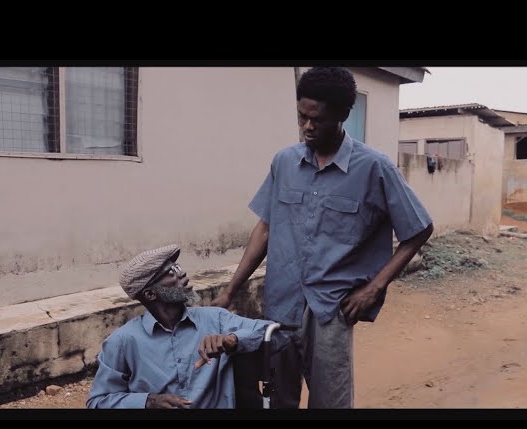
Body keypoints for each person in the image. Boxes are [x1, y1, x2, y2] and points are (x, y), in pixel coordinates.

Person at [212, 67, 434, 408]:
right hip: (280, 304)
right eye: (302, 117)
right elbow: (265, 228)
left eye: (318, 119)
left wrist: (374, 288)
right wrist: (230, 290)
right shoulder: (284, 162)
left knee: (330, 402)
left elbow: (419, 228)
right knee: (276, 400)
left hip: (330, 311)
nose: (308, 127)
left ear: (343, 115)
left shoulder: (374, 167)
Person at [86, 244, 275, 409]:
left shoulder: (215, 319)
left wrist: (233, 340)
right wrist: (148, 401)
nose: (182, 273)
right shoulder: (122, 341)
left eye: (177, 267)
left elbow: (275, 333)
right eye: (171, 272)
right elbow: (98, 401)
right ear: (151, 294)